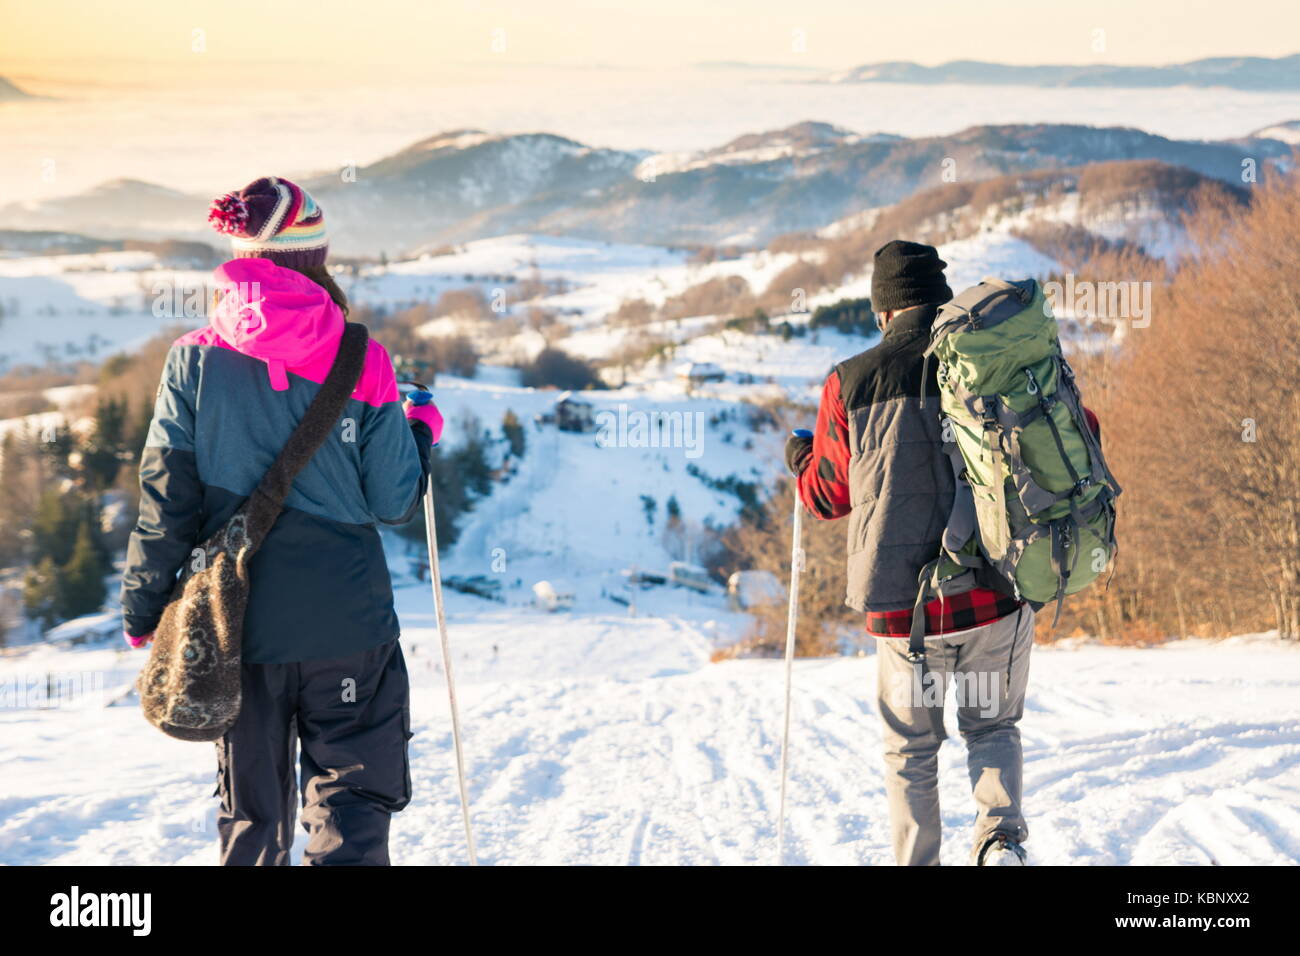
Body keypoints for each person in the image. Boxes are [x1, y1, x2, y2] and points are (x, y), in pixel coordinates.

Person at [120, 176, 444, 865]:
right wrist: (417, 430)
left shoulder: (192, 362)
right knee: (351, 811)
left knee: (252, 820)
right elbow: (393, 501)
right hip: (349, 625)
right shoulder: (365, 359)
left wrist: (144, 608)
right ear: (315, 256)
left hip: (242, 630)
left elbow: (166, 502)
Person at [785, 240, 1082, 866]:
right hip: (994, 594)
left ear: (883, 311)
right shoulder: (990, 360)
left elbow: (828, 496)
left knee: (911, 752)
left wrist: (801, 461)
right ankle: (1000, 845)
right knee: (992, 728)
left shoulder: (850, 381)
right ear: (942, 300)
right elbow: (1071, 442)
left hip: (902, 611)